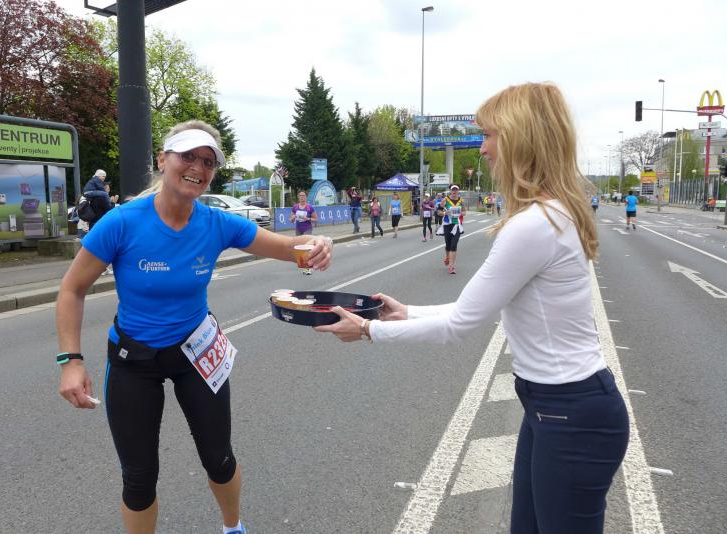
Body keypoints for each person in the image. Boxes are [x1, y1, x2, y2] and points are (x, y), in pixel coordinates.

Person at [316, 82, 628, 534]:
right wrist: (405, 312)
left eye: (490, 135)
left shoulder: (533, 225)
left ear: (521, 138)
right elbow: (472, 309)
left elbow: (460, 325)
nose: (482, 149)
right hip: (558, 408)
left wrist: (369, 331)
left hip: (569, 414)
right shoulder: (554, 213)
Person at [56, 120, 333, 534]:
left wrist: (318, 245)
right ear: (162, 160)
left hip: (197, 353)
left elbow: (284, 246)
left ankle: (233, 527)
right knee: (139, 478)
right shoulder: (122, 222)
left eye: (208, 162)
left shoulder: (216, 223)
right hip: (134, 359)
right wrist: (71, 361)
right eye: (188, 156)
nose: (198, 168)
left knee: (219, 458)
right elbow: (71, 289)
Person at [436, 184, 465, 274]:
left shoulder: (461, 201)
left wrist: (462, 213)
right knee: (448, 245)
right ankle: (448, 256)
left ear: (458, 191)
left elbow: (464, 212)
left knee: (454, 245)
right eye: (453, 190)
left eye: (456, 190)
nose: (454, 191)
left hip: (456, 225)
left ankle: (451, 266)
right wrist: (445, 213)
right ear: (450, 191)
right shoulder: (445, 200)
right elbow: (438, 212)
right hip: (447, 225)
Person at [291, 190, 318, 274]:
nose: (302, 197)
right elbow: (291, 220)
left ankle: (308, 267)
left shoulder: (310, 207)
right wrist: (294, 217)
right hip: (298, 229)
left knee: (307, 247)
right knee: (299, 247)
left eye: (303, 196)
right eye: (300, 195)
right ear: (298, 197)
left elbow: (315, 219)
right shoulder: (295, 207)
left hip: (307, 228)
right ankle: (303, 264)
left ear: (306, 197)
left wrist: (308, 218)